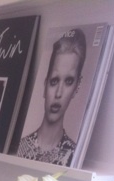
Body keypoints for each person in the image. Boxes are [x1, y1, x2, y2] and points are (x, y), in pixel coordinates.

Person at [17, 28, 87, 166]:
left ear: (76, 87)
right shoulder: (21, 147)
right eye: (54, 81)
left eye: (68, 81)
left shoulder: (73, 155)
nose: (58, 93)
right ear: (45, 84)